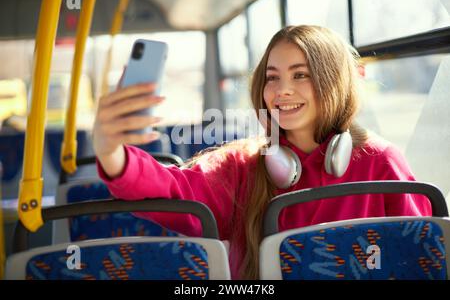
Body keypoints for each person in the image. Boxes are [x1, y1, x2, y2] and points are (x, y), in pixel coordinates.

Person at [93, 25, 432, 280]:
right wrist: (111, 152)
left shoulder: (380, 162)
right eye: (273, 77)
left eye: (301, 75)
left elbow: (421, 258)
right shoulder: (242, 166)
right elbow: (173, 190)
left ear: (333, 81)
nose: (282, 90)